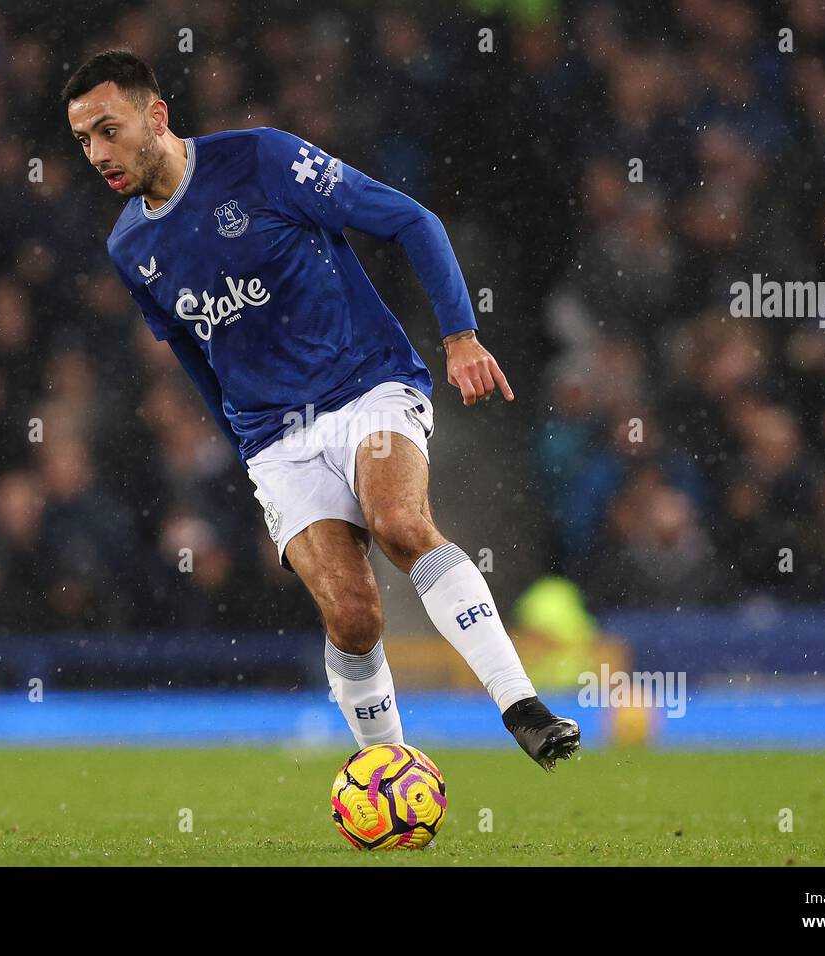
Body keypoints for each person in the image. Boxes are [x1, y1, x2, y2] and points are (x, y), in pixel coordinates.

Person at [62, 50, 579, 770]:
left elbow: (412, 219)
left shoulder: (263, 160)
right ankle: (387, 771)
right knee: (352, 615)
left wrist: (461, 336)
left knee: (400, 523)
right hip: (275, 438)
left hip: (366, 386)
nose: (96, 154)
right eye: (83, 139)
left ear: (156, 116)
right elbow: (193, 357)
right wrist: (246, 452)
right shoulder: (129, 247)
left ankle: (522, 705)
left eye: (107, 130)